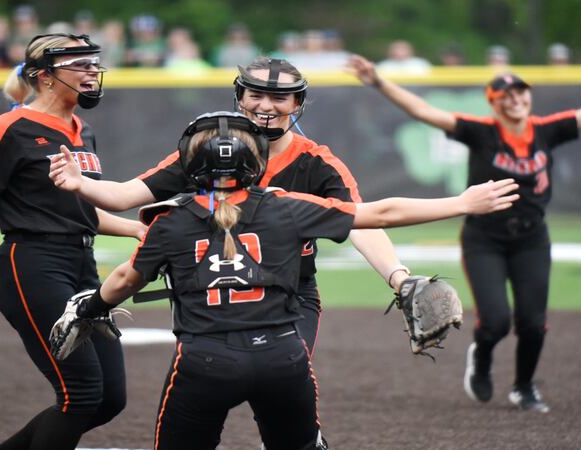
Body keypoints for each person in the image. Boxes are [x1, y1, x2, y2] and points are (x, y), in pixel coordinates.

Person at [51, 111, 519, 448]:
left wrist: (90, 307)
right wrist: (462, 203)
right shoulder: (286, 206)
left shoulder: (168, 221)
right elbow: (380, 213)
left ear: (189, 167)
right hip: (283, 358)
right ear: (256, 162)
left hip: (205, 362)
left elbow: (124, 279)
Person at [347, 53, 581, 412]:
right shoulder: (481, 132)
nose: (516, 99)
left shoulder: (546, 130)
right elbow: (425, 112)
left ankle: (524, 387)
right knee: (496, 322)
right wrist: (379, 82)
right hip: (484, 239)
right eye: (506, 95)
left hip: (531, 239)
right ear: (494, 103)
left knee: (533, 323)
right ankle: (482, 354)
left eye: (521, 92)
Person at [50, 57, 417, 359]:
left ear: (297, 104)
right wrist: (81, 184)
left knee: (287, 384)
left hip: (288, 293)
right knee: (205, 389)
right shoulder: (205, 149)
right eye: (256, 95)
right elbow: (125, 196)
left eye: (280, 98)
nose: (266, 106)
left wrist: (399, 278)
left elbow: (361, 222)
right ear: (240, 97)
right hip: (207, 292)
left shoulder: (317, 163)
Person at [0, 33, 144, 449]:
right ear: (45, 76)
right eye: (81, 64)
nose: (93, 71)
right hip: (32, 265)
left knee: (109, 399)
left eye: (95, 63)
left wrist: (138, 229)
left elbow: (80, 211)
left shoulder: (83, 131)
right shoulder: (7, 129)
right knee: (82, 394)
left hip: (82, 265)